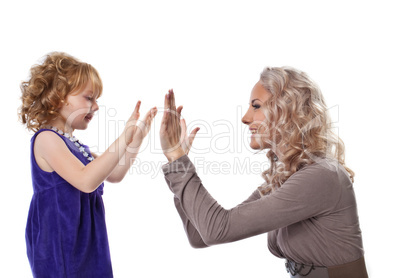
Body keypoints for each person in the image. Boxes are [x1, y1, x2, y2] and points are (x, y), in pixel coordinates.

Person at [159, 67, 368, 278]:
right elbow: (200, 235)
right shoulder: (287, 177)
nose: (245, 118)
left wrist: (179, 161)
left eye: (256, 106)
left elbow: (217, 229)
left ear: (287, 111)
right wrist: (177, 162)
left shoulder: (321, 176)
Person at [19, 52, 157, 277]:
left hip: (87, 241)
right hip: (62, 243)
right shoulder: (47, 139)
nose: (96, 107)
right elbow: (86, 180)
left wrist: (136, 139)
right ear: (60, 97)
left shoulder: (76, 147)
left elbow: (115, 173)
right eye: (89, 98)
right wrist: (123, 136)